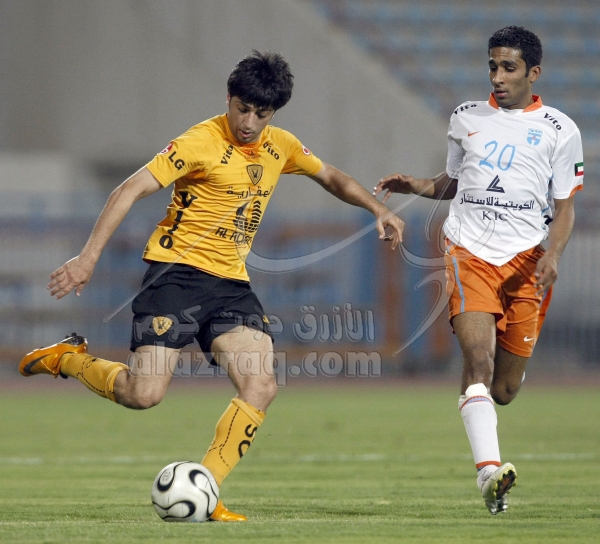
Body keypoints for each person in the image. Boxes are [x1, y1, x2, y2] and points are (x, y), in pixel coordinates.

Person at [19, 50, 405, 521]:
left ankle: (207, 489)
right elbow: (128, 189)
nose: (249, 122)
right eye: (242, 109)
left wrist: (377, 208)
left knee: (261, 385)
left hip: (230, 286)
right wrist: (87, 258)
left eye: (261, 114)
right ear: (228, 98)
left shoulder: (280, 145)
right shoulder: (199, 141)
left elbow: (331, 177)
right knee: (143, 395)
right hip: (175, 275)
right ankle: (68, 359)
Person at [375, 26, 583, 515]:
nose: (497, 77)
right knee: (477, 362)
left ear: (534, 72)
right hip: (468, 251)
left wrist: (553, 255)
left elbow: (565, 208)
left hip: (527, 261)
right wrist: (417, 185)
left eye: (509, 67)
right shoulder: (465, 117)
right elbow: (455, 181)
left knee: (504, 389)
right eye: (492, 66)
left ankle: (487, 420)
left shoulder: (561, 129)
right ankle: (489, 474)